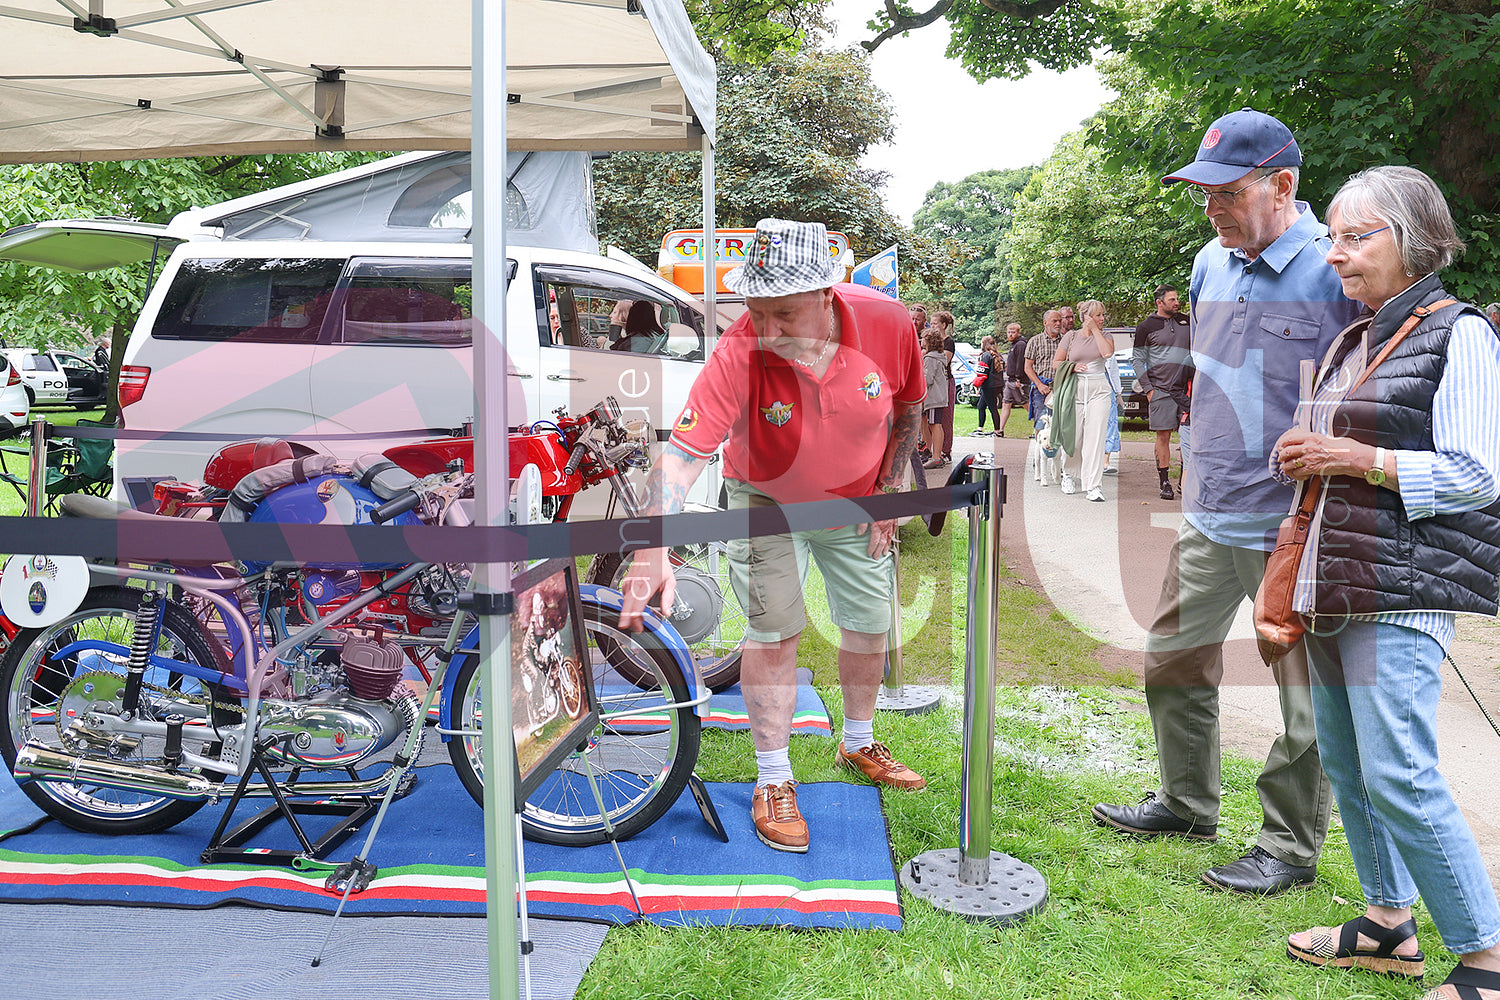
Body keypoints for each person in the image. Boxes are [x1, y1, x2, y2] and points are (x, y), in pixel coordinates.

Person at [1093, 108, 1360, 895]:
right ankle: (1185, 802)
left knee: (1303, 702)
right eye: (1203, 193)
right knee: (1171, 660)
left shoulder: (1335, 267)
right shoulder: (1213, 261)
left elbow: (1375, 389)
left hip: (1297, 524)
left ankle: (1287, 846)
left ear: (1282, 185)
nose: (1212, 210)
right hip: (1210, 512)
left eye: (1228, 193)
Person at [617, 218, 927, 855]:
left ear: (826, 294)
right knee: (775, 631)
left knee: (870, 624)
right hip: (764, 498)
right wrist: (652, 547)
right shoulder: (740, 348)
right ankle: (774, 780)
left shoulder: (888, 322)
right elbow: (682, 453)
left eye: (783, 314)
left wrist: (890, 493)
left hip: (857, 497)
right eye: (756, 311)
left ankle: (860, 740)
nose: (767, 329)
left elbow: (909, 409)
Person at [1273, 165, 1500, 1000]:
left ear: (1413, 240)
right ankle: (1385, 923)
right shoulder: (1353, 337)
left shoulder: (1462, 333)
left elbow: (1480, 473)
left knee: (1400, 771)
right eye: (1331, 237)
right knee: (1348, 760)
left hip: (1405, 586)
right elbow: (1326, 441)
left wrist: (1361, 459)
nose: (1334, 255)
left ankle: (1486, 958)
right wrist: (1303, 449)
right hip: (1338, 578)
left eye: (1355, 237)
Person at [1052, 299, 1115, 501]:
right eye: (1098, 315)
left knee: (1095, 439)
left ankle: (1093, 486)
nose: (1102, 319)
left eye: (1103, 315)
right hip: (1075, 389)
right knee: (1074, 437)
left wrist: (1095, 330)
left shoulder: (1106, 336)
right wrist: (1072, 366)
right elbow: (1056, 363)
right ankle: (1069, 474)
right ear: (1086, 317)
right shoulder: (1070, 336)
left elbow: (1107, 353)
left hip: (1099, 389)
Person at [1133, 284, 1193, 500]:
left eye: (1177, 299)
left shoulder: (1188, 321)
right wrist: (1149, 390)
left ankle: (1185, 481)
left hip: (1187, 391)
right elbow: (1138, 360)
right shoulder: (1146, 327)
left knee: (1190, 437)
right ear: (1159, 302)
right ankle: (1164, 482)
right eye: (1172, 300)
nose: (1177, 303)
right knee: (1163, 437)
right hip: (1161, 391)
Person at [1024, 309, 1064, 424]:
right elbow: (1027, 367)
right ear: (1045, 323)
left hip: (1061, 387)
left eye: (1060, 321)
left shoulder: (1066, 341)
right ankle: (1039, 441)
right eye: (1054, 321)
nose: (1058, 324)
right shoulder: (1035, 341)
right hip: (1042, 388)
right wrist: (1039, 385)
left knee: (1060, 424)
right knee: (1041, 422)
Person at [920, 328, 950, 467]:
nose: (922, 341)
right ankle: (937, 455)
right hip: (940, 397)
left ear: (930, 341)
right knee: (937, 424)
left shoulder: (930, 358)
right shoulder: (940, 356)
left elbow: (927, 379)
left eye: (924, 339)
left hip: (933, 397)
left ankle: (936, 456)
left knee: (934, 425)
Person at [932, 310, 958, 462]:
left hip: (945, 381)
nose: (933, 326)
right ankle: (933, 449)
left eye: (936, 323)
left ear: (944, 325)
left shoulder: (948, 342)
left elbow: (944, 361)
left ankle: (946, 450)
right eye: (932, 323)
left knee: (945, 417)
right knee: (933, 419)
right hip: (933, 381)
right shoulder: (931, 340)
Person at [996, 322, 1028, 434]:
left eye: (1013, 332)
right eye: (1008, 332)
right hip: (1010, 380)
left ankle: (1040, 425)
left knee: (1025, 403)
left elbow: (1021, 362)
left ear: (1018, 332)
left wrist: (1019, 379)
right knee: (1006, 403)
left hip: (1018, 380)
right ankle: (1000, 430)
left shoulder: (1020, 345)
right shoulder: (1013, 345)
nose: (1010, 334)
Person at [973, 334, 1004, 435]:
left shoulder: (986, 355)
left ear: (984, 344)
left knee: (992, 408)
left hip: (988, 386)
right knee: (981, 406)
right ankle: (980, 428)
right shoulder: (998, 356)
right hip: (998, 385)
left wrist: (976, 384)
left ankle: (997, 431)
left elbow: (982, 373)